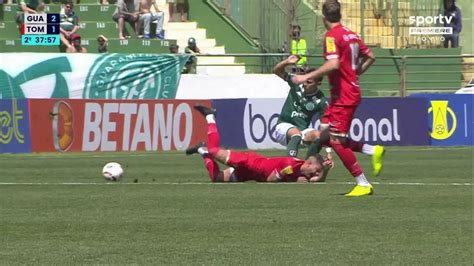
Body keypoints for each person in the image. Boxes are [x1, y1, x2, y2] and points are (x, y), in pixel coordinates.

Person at [291, 0, 384, 196]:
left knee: (336, 140)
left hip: (344, 96)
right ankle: (372, 150)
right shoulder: (351, 34)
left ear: (324, 17)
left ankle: (363, 183)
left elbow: (333, 64)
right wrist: (355, 73)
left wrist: (306, 76)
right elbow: (371, 56)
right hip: (341, 95)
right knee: (324, 135)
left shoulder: (332, 36)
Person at [186, 105, 327, 183]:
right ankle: (210, 116)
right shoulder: (290, 165)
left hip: (250, 174)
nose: (315, 174)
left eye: (317, 172)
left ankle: (201, 150)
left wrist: (323, 171)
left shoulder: (300, 170)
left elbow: (317, 181)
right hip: (249, 163)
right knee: (214, 150)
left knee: (216, 178)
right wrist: (292, 179)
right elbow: (271, 180)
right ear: (308, 164)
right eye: (316, 171)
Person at [272, 54, 330, 160]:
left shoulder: (321, 100)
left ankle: (308, 164)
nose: (304, 83)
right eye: (305, 80)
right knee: (296, 134)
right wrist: (286, 62)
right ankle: (290, 164)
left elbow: (325, 129)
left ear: (319, 83)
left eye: (309, 82)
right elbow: (276, 71)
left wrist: (328, 152)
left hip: (302, 131)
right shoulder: (296, 83)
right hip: (283, 127)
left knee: (318, 136)